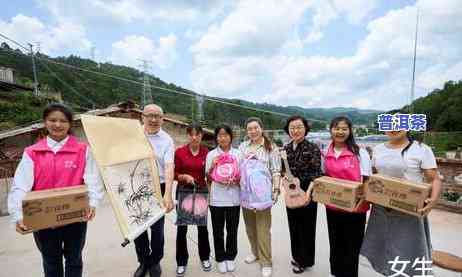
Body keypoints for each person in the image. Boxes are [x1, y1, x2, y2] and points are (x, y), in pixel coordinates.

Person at [8, 103, 104, 277]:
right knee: (50, 260)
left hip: (75, 217)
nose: (58, 125)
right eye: (53, 120)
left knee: (74, 259)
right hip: (43, 218)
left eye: (63, 121)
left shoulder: (82, 150)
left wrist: (93, 203)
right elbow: (20, 185)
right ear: (45, 122)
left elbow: (93, 179)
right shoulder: (33, 152)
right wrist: (17, 215)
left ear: (69, 124)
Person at [360, 130, 442, 276]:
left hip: (408, 209)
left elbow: (434, 178)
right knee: (382, 250)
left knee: (408, 250)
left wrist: (433, 199)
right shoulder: (378, 149)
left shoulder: (421, 149)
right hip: (381, 209)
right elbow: (373, 176)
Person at [321, 116, 372, 277]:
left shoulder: (359, 153)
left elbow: (367, 181)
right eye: (336, 128)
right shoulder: (326, 152)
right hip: (333, 206)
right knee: (335, 241)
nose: (340, 132)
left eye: (344, 129)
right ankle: (335, 272)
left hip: (355, 208)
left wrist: (362, 200)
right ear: (331, 130)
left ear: (350, 131)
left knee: (352, 245)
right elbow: (323, 176)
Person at [133, 104, 175, 277]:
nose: (153, 119)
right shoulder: (133, 134)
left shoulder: (167, 140)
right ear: (142, 117)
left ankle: (155, 260)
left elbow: (169, 166)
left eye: (157, 116)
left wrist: (168, 194)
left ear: (162, 119)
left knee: (157, 229)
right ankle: (143, 262)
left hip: (159, 186)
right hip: (135, 185)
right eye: (149, 115)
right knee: (138, 227)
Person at [238, 117, 281, 277]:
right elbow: (238, 168)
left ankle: (266, 261)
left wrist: (276, 189)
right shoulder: (243, 147)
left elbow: (276, 170)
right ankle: (255, 253)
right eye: (250, 129)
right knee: (250, 228)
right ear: (246, 131)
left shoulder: (271, 148)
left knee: (263, 229)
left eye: (256, 128)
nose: (253, 131)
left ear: (261, 128)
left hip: (263, 195)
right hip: (246, 195)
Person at [281, 115, 322, 274]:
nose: (295, 130)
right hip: (292, 190)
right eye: (292, 127)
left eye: (299, 127)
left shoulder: (313, 148)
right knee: (294, 225)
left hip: (308, 190)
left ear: (305, 128)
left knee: (307, 227)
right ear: (288, 130)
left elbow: (316, 173)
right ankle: (297, 256)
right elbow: (285, 170)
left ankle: (306, 260)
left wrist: (308, 195)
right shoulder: (286, 148)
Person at [174, 123, 211, 276]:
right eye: (191, 134)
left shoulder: (206, 152)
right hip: (183, 192)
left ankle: (205, 257)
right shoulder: (180, 152)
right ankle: (181, 262)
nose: (194, 137)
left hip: (201, 192)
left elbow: (209, 174)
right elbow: (174, 173)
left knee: (202, 227)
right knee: (182, 228)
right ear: (188, 135)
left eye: (197, 134)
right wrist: (183, 176)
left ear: (201, 135)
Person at [206, 124, 241, 274]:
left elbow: (243, 175)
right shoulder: (211, 155)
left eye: (226, 135)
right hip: (217, 199)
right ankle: (220, 258)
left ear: (231, 137)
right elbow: (207, 176)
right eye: (220, 135)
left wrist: (236, 180)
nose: (223, 138)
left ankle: (231, 257)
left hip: (234, 198)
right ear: (216, 138)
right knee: (217, 231)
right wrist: (213, 167)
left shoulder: (238, 154)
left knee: (232, 230)